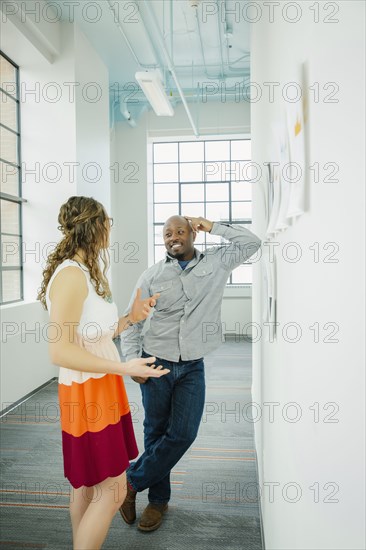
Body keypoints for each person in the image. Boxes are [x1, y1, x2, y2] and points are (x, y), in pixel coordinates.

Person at [37, 196, 170, 550]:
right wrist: (123, 366)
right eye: (108, 220)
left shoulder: (87, 271)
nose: (111, 226)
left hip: (99, 386)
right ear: (94, 225)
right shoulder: (70, 276)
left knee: (87, 485)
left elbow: (94, 335)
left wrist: (131, 319)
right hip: (88, 390)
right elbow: (59, 349)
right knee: (111, 491)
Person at [119, 214, 261, 532]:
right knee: (156, 433)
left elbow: (252, 242)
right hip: (155, 363)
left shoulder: (217, 263)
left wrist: (213, 226)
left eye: (180, 230)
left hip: (193, 364)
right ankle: (158, 502)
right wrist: (131, 361)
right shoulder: (151, 275)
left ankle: (129, 481)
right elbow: (130, 321)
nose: (173, 237)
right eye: (167, 233)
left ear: (193, 234)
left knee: (183, 433)